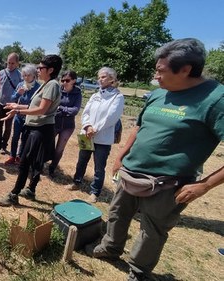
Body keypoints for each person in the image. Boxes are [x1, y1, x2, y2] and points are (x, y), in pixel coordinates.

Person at [89, 38, 224, 281]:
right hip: (131, 172)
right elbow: (140, 126)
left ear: (185, 70)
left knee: (152, 230)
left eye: (161, 70)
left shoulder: (215, 99)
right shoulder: (160, 93)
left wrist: (204, 185)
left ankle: (138, 271)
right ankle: (110, 249)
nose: (156, 76)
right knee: (117, 214)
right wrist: (121, 155)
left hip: (169, 183)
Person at [0, 55, 63, 206]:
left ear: (51, 70)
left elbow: (41, 110)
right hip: (37, 128)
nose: (38, 70)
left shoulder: (52, 85)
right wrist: (17, 106)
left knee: (25, 162)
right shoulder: (46, 84)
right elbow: (35, 107)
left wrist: (19, 112)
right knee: (34, 162)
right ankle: (31, 190)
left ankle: (14, 194)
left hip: (40, 130)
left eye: (41, 68)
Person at [67, 67, 124, 203]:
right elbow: (85, 112)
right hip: (87, 134)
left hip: (103, 138)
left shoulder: (117, 97)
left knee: (99, 166)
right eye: (99, 77)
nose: (100, 79)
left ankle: (95, 192)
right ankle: (77, 181)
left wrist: (95, 129)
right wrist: (87, 126)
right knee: (82, 160)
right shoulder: (95, 95)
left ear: (112, 79)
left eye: (103, 77)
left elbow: (112, 117)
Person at [48, 70, 82, 176]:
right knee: (47, 144)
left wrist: (60, 108)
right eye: (62, 80)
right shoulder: (57, 90)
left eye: (67, 80)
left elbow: (75, 110)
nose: (64, 82)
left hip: (68, 126)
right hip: (54, 122)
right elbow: (51, 104)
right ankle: (41, 163)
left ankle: (52, 168)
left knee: (59, 149)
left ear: (74, 81)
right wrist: (67, 110)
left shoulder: (77, 93)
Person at [4, 64, 40, 165]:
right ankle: (12, 156)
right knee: (15, 136)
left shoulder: (38, 88)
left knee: (25, 138)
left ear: (34, 75)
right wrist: (18, 93)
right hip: (18, 116)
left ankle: (20, 156)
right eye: (24, 75)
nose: (26, 77)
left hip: (29, 117)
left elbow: (34, 106)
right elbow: (12, 98)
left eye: (28, 75)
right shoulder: (21, 85)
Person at [0, 53, 22, 154]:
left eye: (12, 63)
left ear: (17, 64)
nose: (10, 65)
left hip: (11, 105)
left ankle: (3, 146)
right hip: (0, 102)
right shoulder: (1, 72)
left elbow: (22, 89)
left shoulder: (20, 75)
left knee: (8, 126)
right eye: (8, 62)